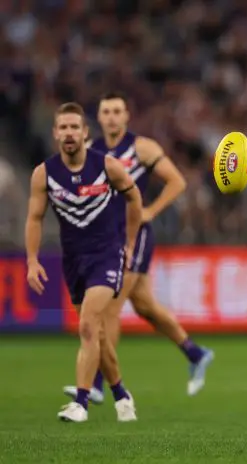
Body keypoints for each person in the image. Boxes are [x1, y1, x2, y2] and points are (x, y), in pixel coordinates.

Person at [62, 92, 215, 404]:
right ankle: (196, 353)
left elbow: (177, 182)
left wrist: (150, 212)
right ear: (99, 117)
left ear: (126, 115)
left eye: (118, 111)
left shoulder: (141, 148)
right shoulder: (92, 152)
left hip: (135, 235)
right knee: (144, 305)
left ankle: (97, 382)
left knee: (110, 307)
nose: (112, 117)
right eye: (106, 111)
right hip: (107, 237)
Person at [26, 102, 141, 422]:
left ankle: (81, 401)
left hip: (107, 255)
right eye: (63, 127)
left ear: (85, 133)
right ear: (54, 134)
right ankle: (121, 393)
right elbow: (34, 218)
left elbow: (134, 198)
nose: (69, 133)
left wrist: (130, 243)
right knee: (97, 336)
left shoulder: (107, 166)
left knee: (88, 324)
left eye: (74, 127)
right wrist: (32, 260)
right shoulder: (44, 174)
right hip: (73, 262)